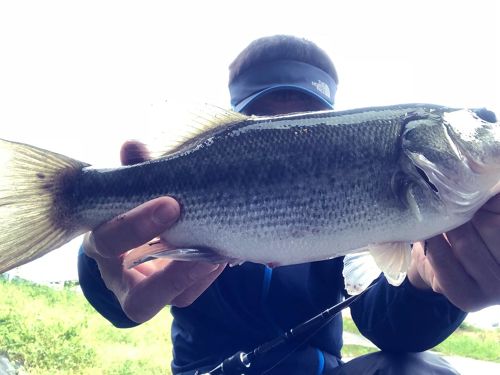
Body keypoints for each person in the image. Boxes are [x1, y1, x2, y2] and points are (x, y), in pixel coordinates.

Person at [78, 35, 500, 374]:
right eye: (264, 124)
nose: (290, 139)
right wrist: (100, 261)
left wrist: (430, 286)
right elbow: (124, 280)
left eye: (308, 122)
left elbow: (390, 327)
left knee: (422, 369)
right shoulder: (172, 212)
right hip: (205, 369)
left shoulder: (408, 212)